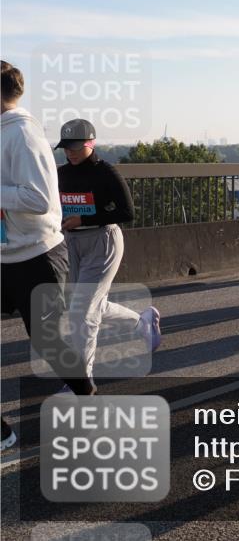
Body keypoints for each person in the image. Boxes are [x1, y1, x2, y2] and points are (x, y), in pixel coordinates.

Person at [2, 61, 95, 451]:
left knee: (48, 342)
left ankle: (86, 399)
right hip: (6, 254)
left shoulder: (23, 133)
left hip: (36, 255)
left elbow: (39, 198)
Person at [56, 119, 160, 383]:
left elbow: (127, 212)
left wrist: (85, 220)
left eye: (76, 147)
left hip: (103, 242)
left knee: (83, 311)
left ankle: (81, 381)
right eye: (66, 147)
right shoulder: (60, 173)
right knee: (92, 304)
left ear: (90, 143)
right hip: (72, 244)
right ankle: (142, 322)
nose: (71, 152)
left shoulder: (105, 172)